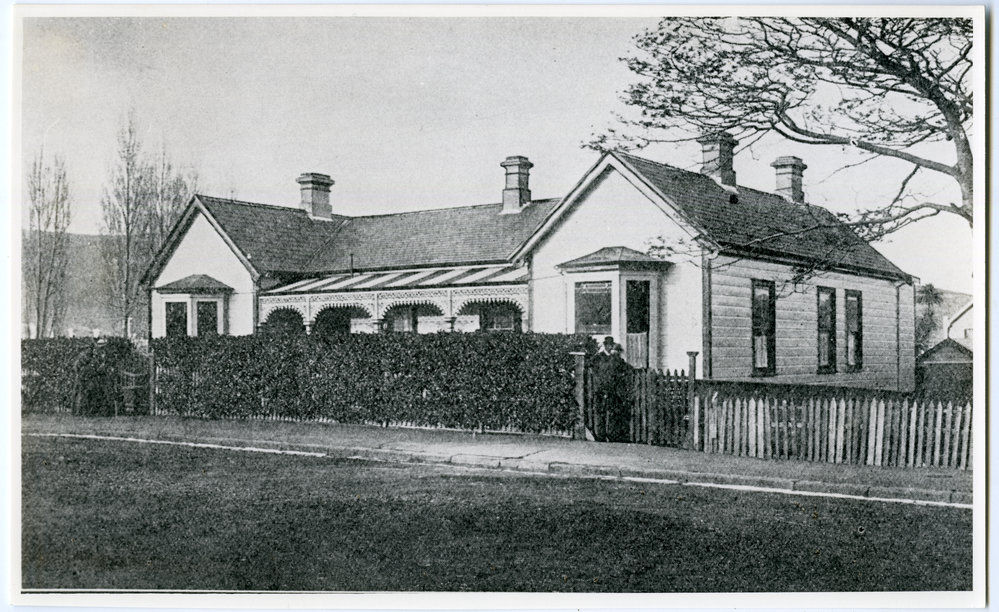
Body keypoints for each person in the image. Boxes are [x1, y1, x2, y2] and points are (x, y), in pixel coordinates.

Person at [590, 337, 632, 442]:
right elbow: (595, 373)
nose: (609, 347)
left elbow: (626, 367)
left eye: (611, 345)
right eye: (608, 345)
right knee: (600, 413)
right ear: (604, 345)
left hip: (612, 389)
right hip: (600, 390)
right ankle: (600, 436)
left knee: (612, 413)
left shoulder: (616, 358)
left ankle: (611, 435)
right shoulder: (598, 358)